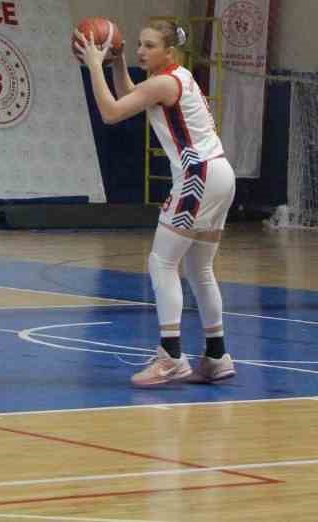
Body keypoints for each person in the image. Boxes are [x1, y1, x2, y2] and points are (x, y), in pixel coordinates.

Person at [77, 19, 237, 386]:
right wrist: (116, 63)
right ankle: (216, 355)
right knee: (199, 268)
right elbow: (132, 95)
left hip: (198, 176)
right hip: (219, 173)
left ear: (169, 51)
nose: (140, 51)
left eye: (149, 46)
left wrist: (94, 66)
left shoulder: (165, 83)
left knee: (162, 261)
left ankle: (170, 356)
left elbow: (111, 112)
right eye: (138, 44)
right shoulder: (173, 78)